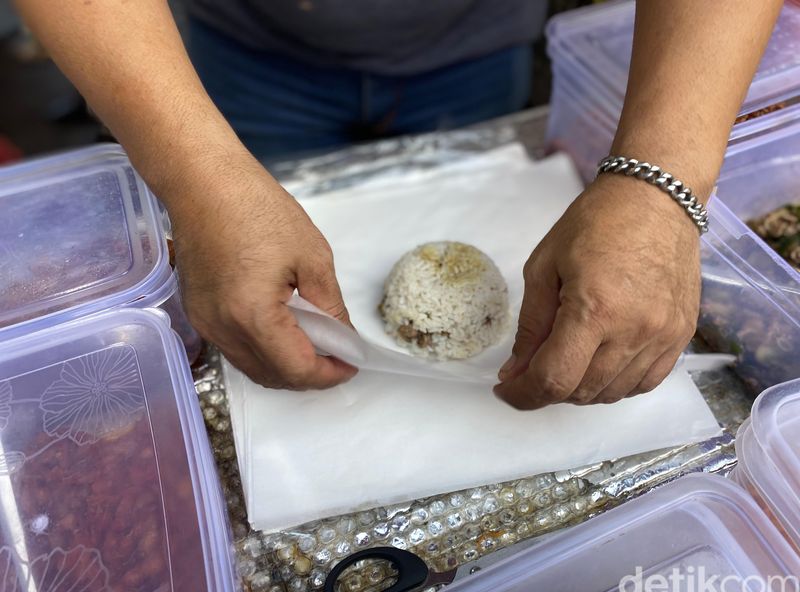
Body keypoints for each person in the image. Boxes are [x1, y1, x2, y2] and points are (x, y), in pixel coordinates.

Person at [14, 0, 782, 409]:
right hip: (243, 51)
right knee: (247, 264)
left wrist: (661, 186)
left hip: (476, 41)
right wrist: (199, 178)